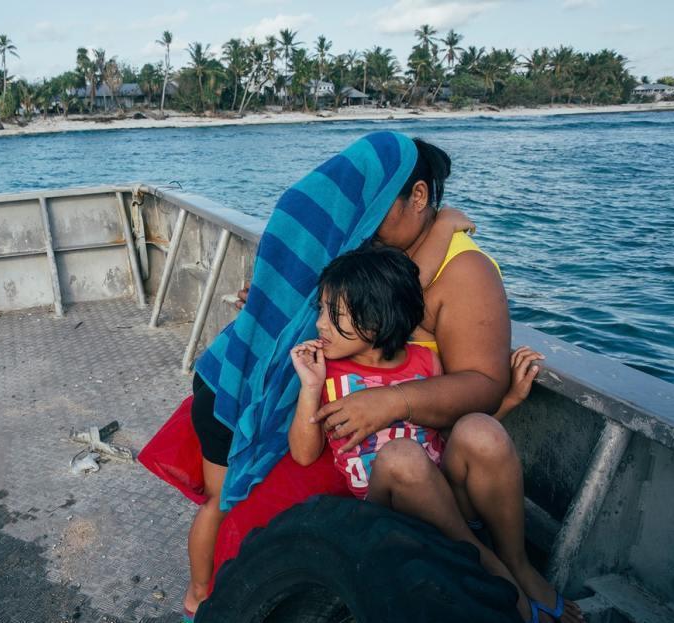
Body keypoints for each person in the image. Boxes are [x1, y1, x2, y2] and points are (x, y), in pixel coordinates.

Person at [181, 132, 482, 620]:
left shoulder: (311, 231)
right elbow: (392, 298)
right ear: (417, 195)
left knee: (219, 501)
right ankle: (199, 597)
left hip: (223, 373)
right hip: (231, 389)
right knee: (224, 504)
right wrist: (445, 229)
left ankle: (197, 594)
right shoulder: (358, 264)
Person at [289, 247, 547, 622]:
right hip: (386, 515)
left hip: (443, 497)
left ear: (377, 320)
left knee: (480, 428)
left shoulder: (426, 362)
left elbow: (446, 431)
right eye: (321, 310)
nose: (320, 324)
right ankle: (482, 560)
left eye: (335, 313)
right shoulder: (326, 372)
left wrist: (507, 401)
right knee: (401, 457)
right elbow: (303, 453)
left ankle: (514, 561)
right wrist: (310, 388)